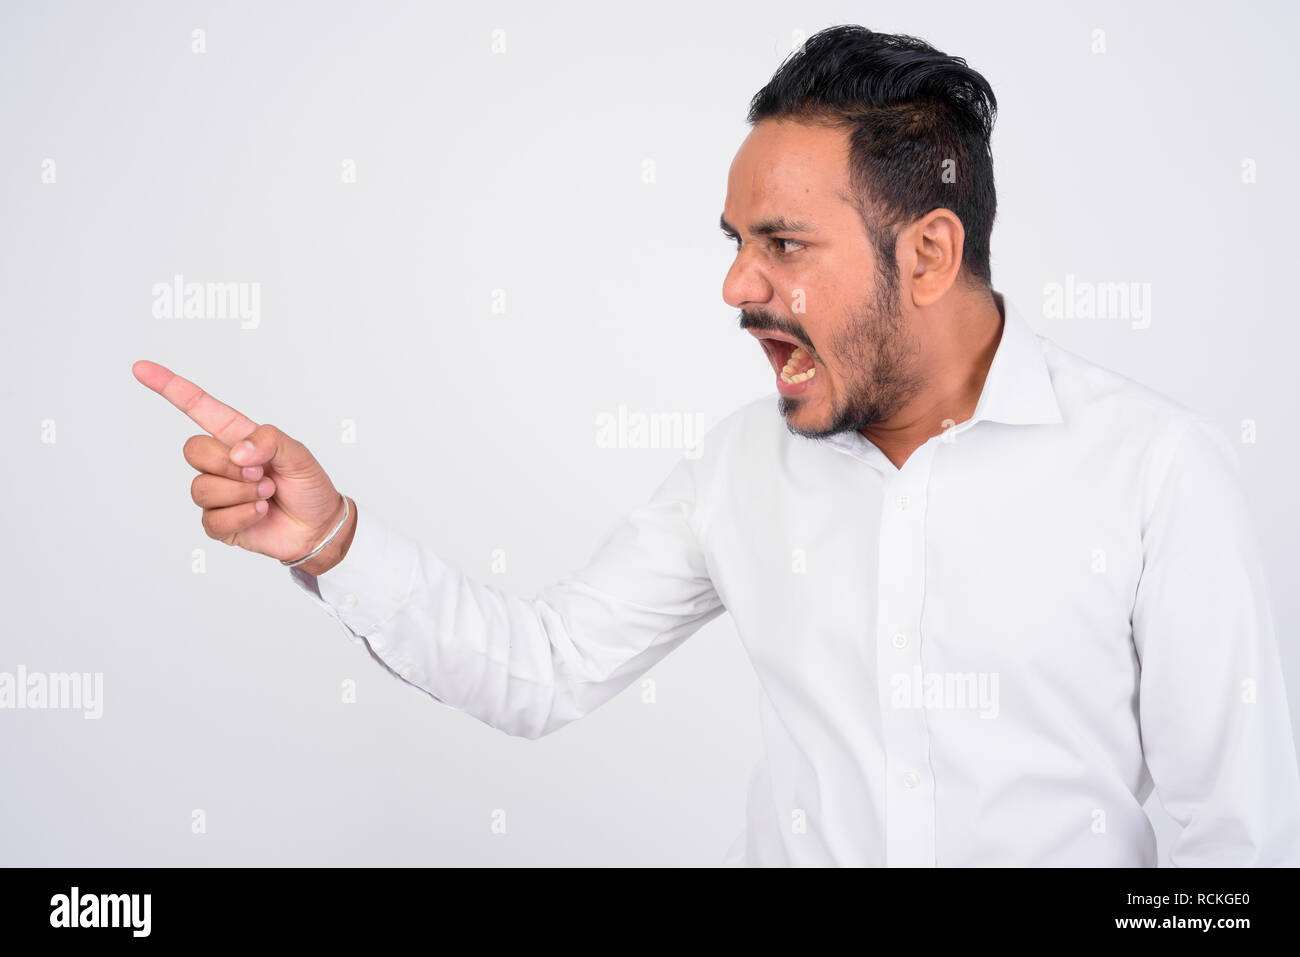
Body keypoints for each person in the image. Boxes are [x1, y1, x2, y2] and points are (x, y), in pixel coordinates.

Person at [133, 25, 1300, 866]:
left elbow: (1230, 853)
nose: (739, 285)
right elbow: (540, 669)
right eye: (737, 240)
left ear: (929, 255)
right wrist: (332, 539)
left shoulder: (1156, 471)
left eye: (784, 244)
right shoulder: (737, 470)